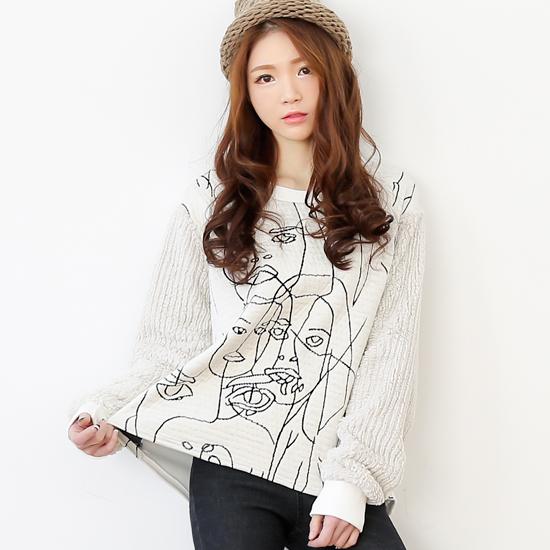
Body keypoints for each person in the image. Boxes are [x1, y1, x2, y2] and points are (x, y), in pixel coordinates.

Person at [68, 1, 425, 549]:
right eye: (266, 77)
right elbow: (172, 342)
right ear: (246, 92)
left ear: (335, 75)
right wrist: (111, 408)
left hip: (334, 469)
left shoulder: (392, 200)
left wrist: (353, 480)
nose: (290, 92)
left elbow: (391, 350)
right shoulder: (210, 202)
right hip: (229, 461)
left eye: (305, 69)